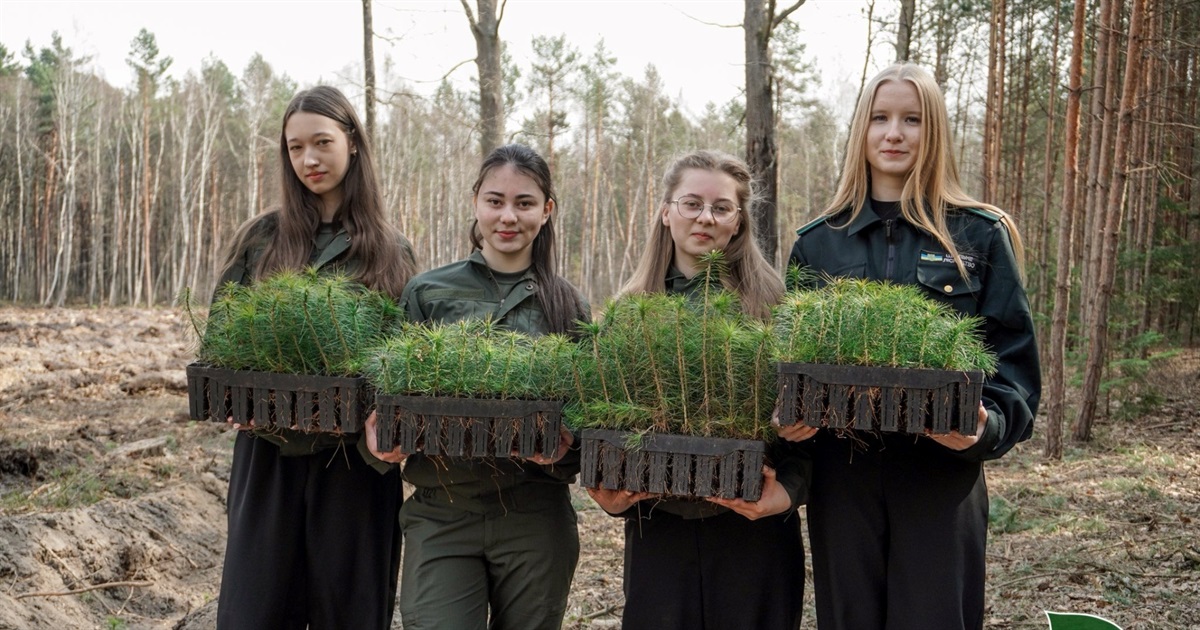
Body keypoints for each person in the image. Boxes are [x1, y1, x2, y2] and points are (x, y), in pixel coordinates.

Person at [784, 62, 1041, 630]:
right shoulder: (818, 244)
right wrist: (789, 419)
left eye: (912, 119)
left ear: (935, 132)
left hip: (941, 477)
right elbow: (789, 361)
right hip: (842, 479)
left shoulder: (977, 234)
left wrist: (985, 427)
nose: (894, 133)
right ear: (861, 131)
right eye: (879, 118)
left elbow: (1013, 363)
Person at [212, 85, 417, 630]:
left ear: (352, 143)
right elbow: (219, 342)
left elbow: (405, 361)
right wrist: (234, 398)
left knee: (350, 611)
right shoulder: (262, 239)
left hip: (355, 467)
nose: (308, 159)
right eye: (295, 147)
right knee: (252, 612)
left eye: (322, 142)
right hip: (268, 456)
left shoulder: (391, 251)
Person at [587, 150, 810, 630]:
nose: (705, 217)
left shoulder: (775, 309)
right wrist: (607, 495)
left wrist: (787, 493)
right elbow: (598, 424)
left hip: (756, 537)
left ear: (739, 221)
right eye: (691, 203)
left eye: (721, 207)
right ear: (666, 212)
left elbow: (811, 431)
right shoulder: (629, 315)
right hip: (659, 535)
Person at [377, 143, 588, 630]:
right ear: (475, 203)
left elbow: (585, 418)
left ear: (547, 210)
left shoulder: (567, 305)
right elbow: (385, 397)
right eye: (495, 201)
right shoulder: (429, 292)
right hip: (443, 511)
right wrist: (379, 440)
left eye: (524, 202)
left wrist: (564, 448)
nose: (508, 216)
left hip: (536, 518)